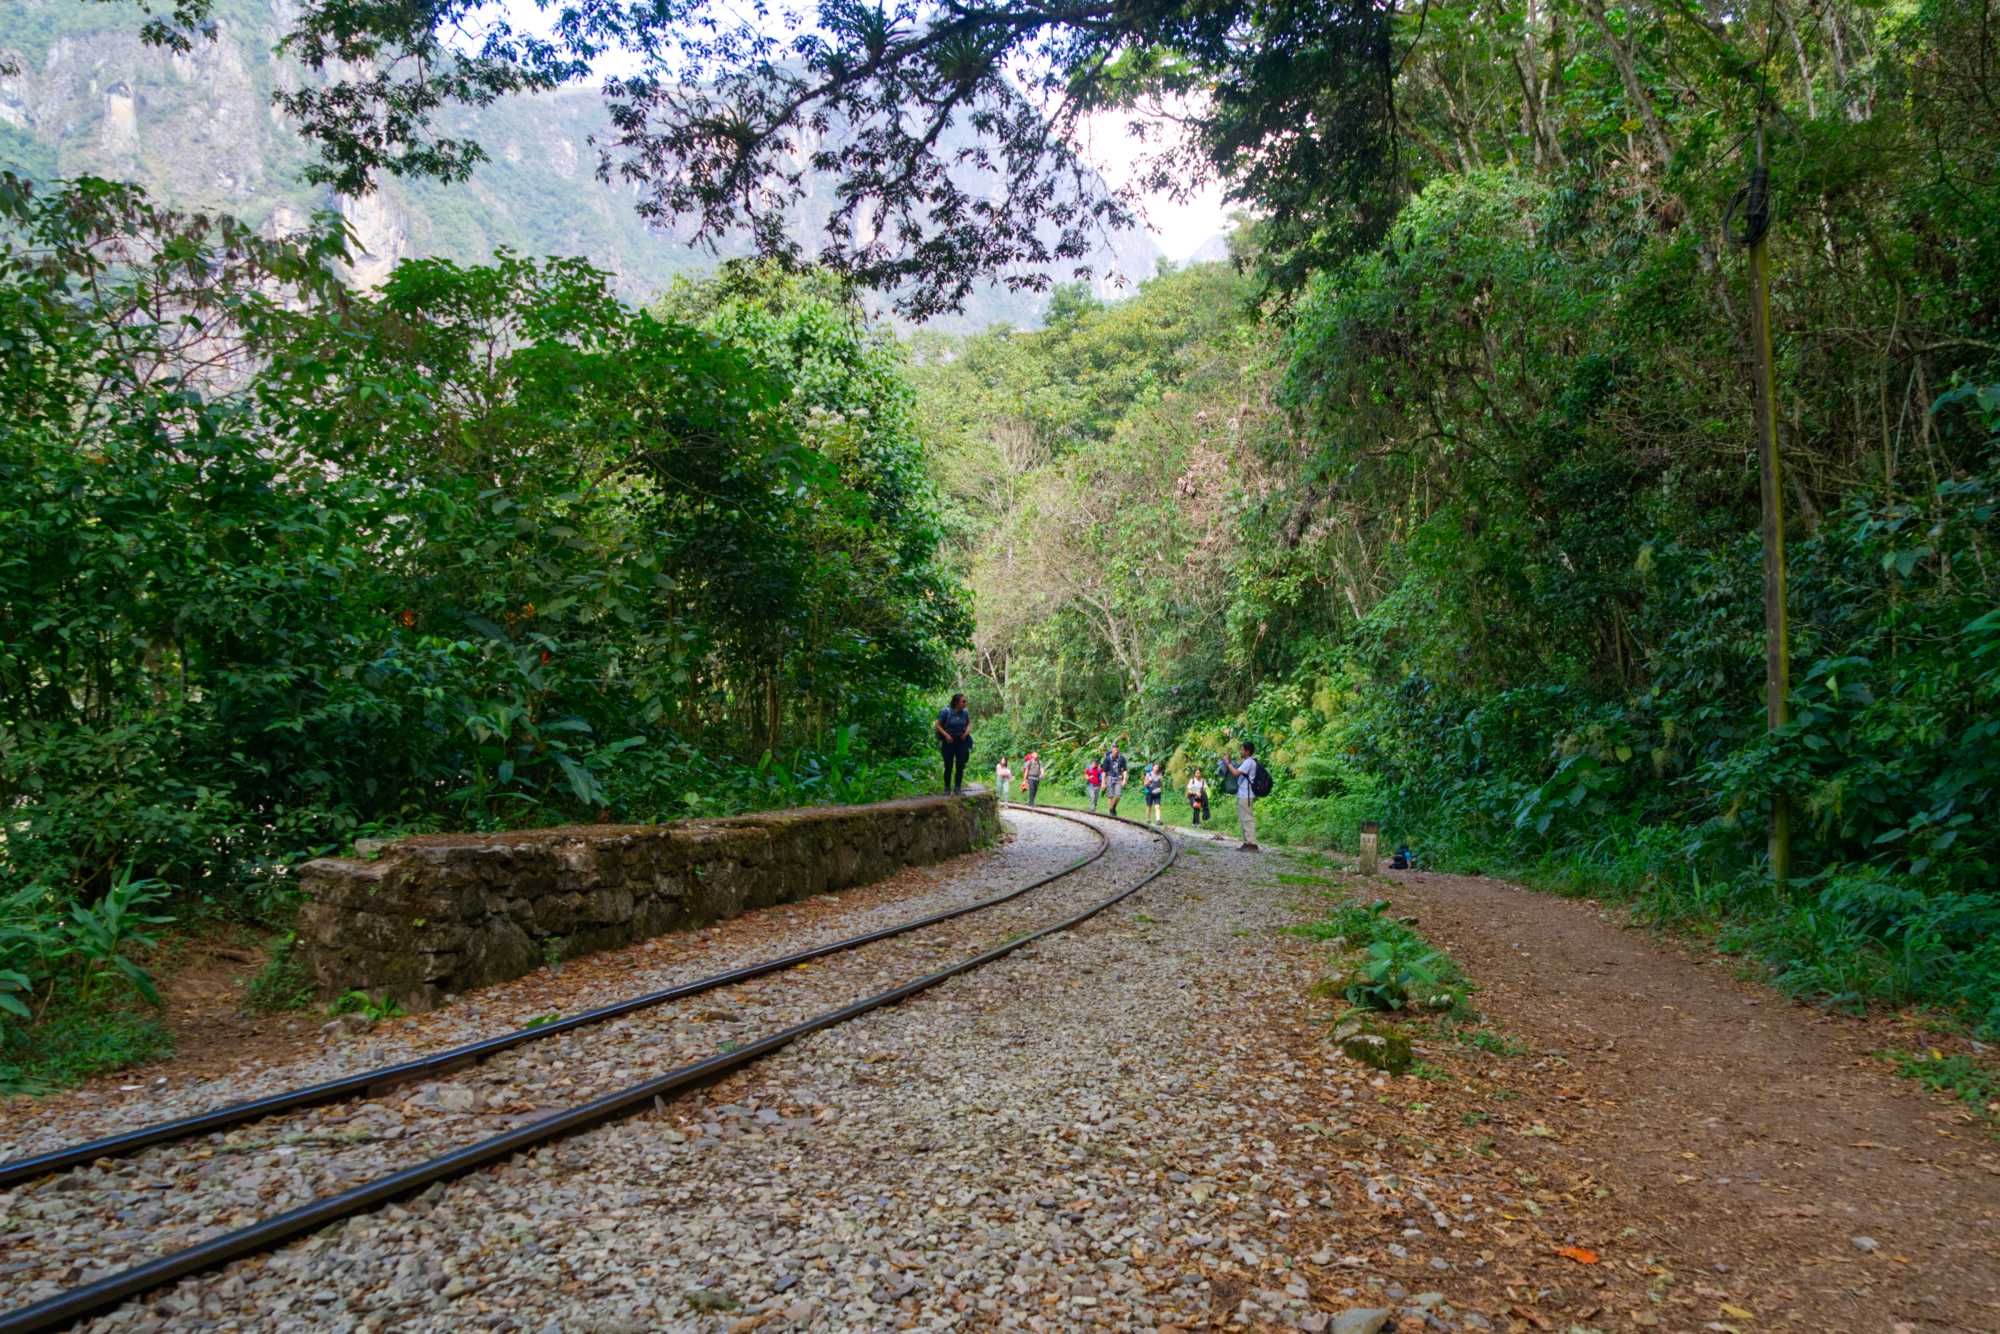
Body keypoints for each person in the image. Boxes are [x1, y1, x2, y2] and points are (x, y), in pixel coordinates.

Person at [1222, 741, 1261, 851]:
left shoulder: (1249, 762)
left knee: (1247, 819)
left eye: (1242, 749)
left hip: (1246, 795)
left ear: (1247, 751)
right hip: (1243, 794)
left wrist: (1228, 763)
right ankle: (1246, 843)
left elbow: (1235, 773)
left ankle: (1252, 844)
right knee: (1244, 819)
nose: (1241, 751)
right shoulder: (1247, 762)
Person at [933, 693, 973, 795]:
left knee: (960, 765)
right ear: (956, 702)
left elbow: (969, 723)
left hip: (962, 741)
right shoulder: (945, 711)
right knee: (948, 765)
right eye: (963, 701)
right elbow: (937, 725)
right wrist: (946, 735)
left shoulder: (965, 712)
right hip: (948, 741)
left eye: (965, 701)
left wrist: (966, 733)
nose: (965, 703)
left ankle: (957, 788)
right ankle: (947, 788)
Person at [1101, 744, 1129, 816]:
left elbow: (1125, 770)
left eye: (1117, 750)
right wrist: (1103, 782)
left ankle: (1113, 808)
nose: (1116, 751)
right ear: (1112, 750)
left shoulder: (1122, 758)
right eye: (1114, 750)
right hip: (1109, 777)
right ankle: (1111, 812)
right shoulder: (1107, 759)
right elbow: (1104, 771)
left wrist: (1124, 780)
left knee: (1118, 795)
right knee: (1110, 796)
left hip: (1118, 778)